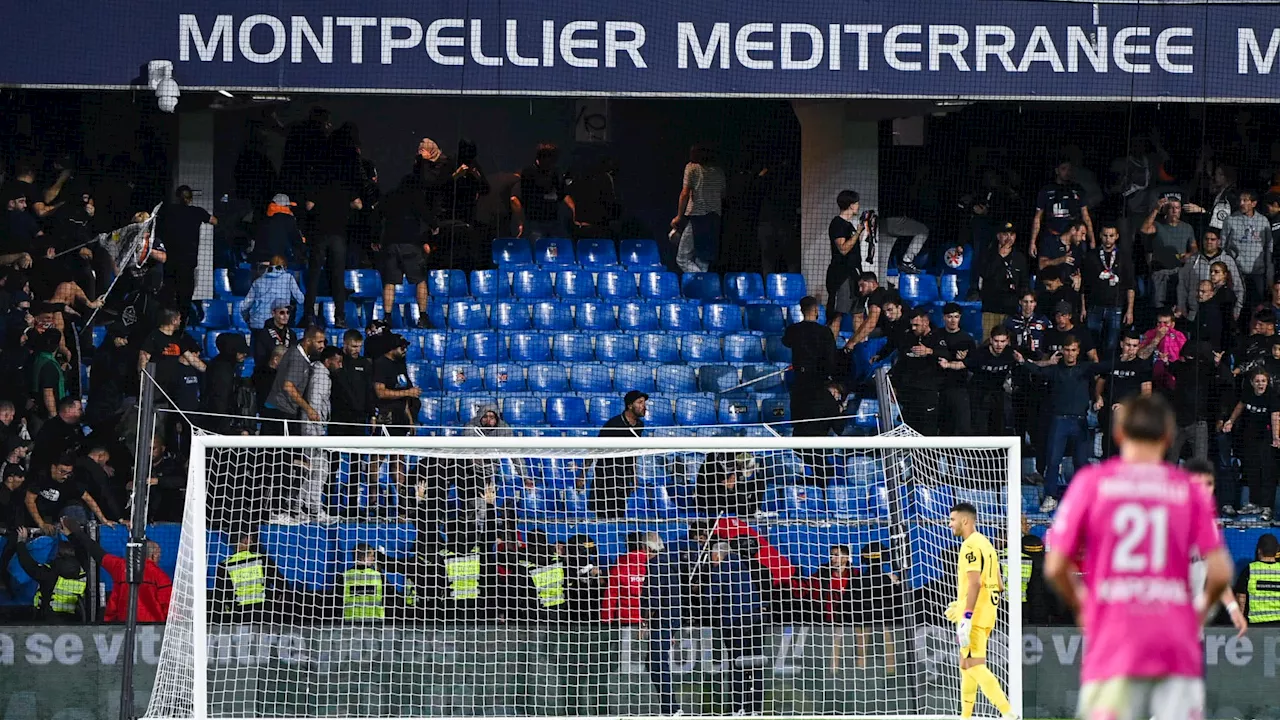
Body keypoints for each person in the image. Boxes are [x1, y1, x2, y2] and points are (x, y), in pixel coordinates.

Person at [1045, 393, 1232, 720]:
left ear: (1118, 434)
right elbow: (1219, 571)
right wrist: (1197, 615)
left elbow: (1056, 564)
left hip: (1114, 639)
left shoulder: (1092, 483)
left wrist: (1082, 606)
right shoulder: (1189, 490)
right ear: (1169, 437)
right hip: (1175, 642)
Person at [945, 502, 1013, 719]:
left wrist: (966, 616)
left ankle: (1009, 713)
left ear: (965, 520)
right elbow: (1000, 585)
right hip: (987, 613)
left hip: (973, 615)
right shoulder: (987, 544)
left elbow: (975, 583)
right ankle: (965, 716)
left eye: (953, 520)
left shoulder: (970, 546)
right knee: (966, 664)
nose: (950, 524)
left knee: (974, 665)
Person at [1020, 339, 1096, 511]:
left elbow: (1105, 367)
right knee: (1053, 460)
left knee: (1081, 461)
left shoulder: (1085, 369)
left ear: (1078, 351)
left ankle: (1082, 497)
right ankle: (1051, 496)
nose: (1070, 353)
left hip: (1079, 421)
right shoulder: (1055, 370)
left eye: (1073, 349)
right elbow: (1038, 370)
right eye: (1067, 349)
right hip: (1058, 421)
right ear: (1063, 350)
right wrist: (1022, 362)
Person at [1183, 459, 1248, 637]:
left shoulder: (1210, 526)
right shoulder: (1167, 521)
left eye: (1209, 484)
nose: (1205, 490)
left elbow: (1217, 574)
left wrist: (1233, 608)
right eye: (1198, 484)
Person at [64, 517, 171, 623]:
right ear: (154, 555)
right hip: (152, 631)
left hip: (121, 626)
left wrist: (74, 532)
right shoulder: (161, 577)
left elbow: (96, 551)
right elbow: (168, 608)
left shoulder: (121, 566)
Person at [706, 540, 766, 715]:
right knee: (755, 664)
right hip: (756, 621)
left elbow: (710, 598)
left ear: (717, 554)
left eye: (712, 556)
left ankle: (738, 707)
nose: (711, 560)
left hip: (735, 623)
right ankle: (755, 709)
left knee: (737, 664)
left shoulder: (721, 568)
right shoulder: (744, 566)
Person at [1221, 369, 1280, 521]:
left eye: (1263, 381)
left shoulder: (1272, 395)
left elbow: (1275, 417)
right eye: (1258, 381)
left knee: (1267, 472)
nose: (1261, 384)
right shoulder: (1248, 393)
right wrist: (1230, 421)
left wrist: (1276, 437)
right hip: (1249, 437)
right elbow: (1239, 407)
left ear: (1267, 382)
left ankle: (1267, 507)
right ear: (1253, 383)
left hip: (1266, 438)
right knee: (1252, 470)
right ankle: (1254, 503)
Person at [156, 185, 216, 325]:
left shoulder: (168, 211)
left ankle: (166, 325)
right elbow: (214, 221)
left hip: (169, 264)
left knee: (168, 297)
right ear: (190, 199)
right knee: (185, 299)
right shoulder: (196, 212)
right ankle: (181, 326)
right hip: (187, 265)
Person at [6, 526, 89, 623]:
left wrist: (21, 542)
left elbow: (28, 565)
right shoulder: (84, 575)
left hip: (46, 620)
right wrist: (70, 536)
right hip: (72, 620)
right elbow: (83, 551)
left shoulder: (50, 575)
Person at [783, 296, 838, 435]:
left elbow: (786, 342)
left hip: (800, 383)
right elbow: (831, 358)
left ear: (802, 310)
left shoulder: (793, 330)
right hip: (819, 384)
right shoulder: (825, 332)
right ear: (815, 310)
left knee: (801, 423)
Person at [1093, 331, 1154, 457]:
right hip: (1109, 415)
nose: (1131, 349)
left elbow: (1147, 394)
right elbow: (1100, 381)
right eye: (1128, 345)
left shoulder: (1142, 366)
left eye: (1134, 346)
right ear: (1121, 344)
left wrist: (1128, 407)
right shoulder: (1112, 361)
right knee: (1107, 453)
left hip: (1130, 418)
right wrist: (1098, 397)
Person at [1080, 223, 1135, 353]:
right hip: (1094, 306)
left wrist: (1130, 310)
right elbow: (1084, 285)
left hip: (1116, 307)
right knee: (1092, 344)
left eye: (1111, 235)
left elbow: (1130, 285)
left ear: (1116, 236)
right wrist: (1083, 307)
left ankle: (1107, 372)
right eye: (1105, 235)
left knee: (1111, 344)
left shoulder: (1124, 257)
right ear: (1100, 236)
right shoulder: (1091, 256)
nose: (1108, 239)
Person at [672, 144, 726, 273]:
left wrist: (679, 217)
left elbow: (685, 193)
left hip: (698, 218)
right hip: (714, 219)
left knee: (682, 258)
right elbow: (723, 195)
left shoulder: (692, 168)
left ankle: (702, 281)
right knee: (702, 259)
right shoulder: (719, 172)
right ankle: (700, 290)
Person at [214, 532, 289, 623]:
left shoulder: (224, 565)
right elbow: (282, 585)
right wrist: (274, 602)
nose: (252, 541)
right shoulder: (262, 559)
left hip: (239, 615)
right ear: (246, 540)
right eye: (251, 538)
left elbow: (220, 596)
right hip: (264, 613)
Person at [594, 390, 646, 519]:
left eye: (644, 403)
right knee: (604, 514)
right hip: (606, 475)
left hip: (623, 477)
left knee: (619, 514)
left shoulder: (639, 425)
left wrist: (633, 476)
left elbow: (633, 451)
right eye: (640, 402)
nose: (644, 406)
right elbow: (595, 449)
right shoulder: (613, 424)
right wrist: (582, 475)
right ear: (629, 405)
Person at [890, 309, 944, 435]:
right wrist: (894, 385)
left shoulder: (938, 338)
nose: (913, 328)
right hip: (908, 393)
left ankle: (929, 454)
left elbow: (947, 355)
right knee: (909, 428)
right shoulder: (908, 338)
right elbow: (901, 364)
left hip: (927, 393)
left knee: (927, 429)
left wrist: (930, 352)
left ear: (926, 322)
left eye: (916, 325)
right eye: (912, 325)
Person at [974, 221, 1029, 338]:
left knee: (1010, 341)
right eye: (1005, 234)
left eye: (1012, 234)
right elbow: (985, 274)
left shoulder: (1020, 258)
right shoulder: (987, 255)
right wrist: (999, 256)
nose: (1009, 238)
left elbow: (1024, 282)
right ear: (998, 236)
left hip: (1011, 309)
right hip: (991, 308)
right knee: (989, 341)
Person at [1141, 196, 1197, 309]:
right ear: (1166, 210)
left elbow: (1194, 247)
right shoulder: (1158, 225)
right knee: (1159, 306)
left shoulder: (1187, 227)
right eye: (1172, 208)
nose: (1175, 211)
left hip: (1179, 272)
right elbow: (1144, 229)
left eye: (1177, 208)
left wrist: (1188, 255)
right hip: (1160, 272)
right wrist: (1156, 209)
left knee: (1178, 306)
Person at [1031, 158, 1094, 257]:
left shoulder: (1078, 189)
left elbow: (1086, 216)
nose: (1067, 172)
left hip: (1074, 237)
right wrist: (1032, 242)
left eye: (1069, 169)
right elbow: (1037, 218)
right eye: (1063, 169)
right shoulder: (1046, 190)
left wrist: (1092, 239)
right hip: (1052, 236)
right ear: (1057, 170)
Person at [935, 302, 977, 436]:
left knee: (963, 427)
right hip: (939, 388)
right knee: (944, 429)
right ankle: (947, 458)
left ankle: (965, 456)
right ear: (943, 318)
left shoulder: (967, 339)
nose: (953, 320)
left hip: (959, 387)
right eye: (949, 317)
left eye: (956, 317)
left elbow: (973, 364)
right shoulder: (936, 336)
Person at [824, 190, 866, 317]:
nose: (858, 206)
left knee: (858, 313)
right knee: (838, 315)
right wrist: (858, 233)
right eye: (857, 203)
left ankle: (859, 338)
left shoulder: (849, 226)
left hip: (855, 274)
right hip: (841, 276)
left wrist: (863, 230)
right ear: (851, 205)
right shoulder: (837, 223)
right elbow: (843, 249)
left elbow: (854, 246)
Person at [242, 257, 305, 331]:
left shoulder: (258, 281)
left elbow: (245, 305)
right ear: (285, 267)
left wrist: (247, 319)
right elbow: (301, 299)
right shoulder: (289, 278)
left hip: (257, 325)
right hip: (277, 324)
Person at [1234, 533, 1280, 627]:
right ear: (1276, 551)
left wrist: (1239, 622)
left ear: (1259, 550)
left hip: (1256, 625)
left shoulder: (1250, 570)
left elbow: (1240, 599)